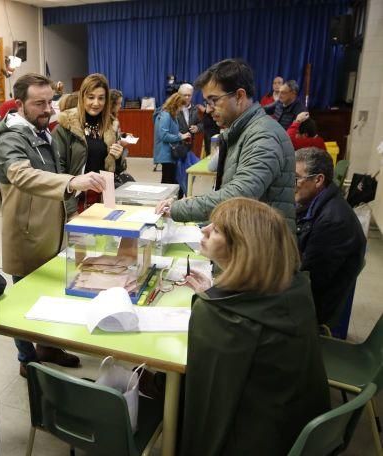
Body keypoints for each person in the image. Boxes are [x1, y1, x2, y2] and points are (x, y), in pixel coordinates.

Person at [182, 197, 330, 455]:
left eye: (215, 230)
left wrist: (213, 302)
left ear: (241, 249)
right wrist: (217, 291)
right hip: (296, 429)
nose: (204, 230)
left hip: (250, 439)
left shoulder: (223, 318)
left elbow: (204, 395)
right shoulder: (295, 287)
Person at [0, 72, 105, 377]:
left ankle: (48, 347)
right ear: (19, 104)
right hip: (26, 232)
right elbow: (22, 175)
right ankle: (25, 358)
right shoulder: (10, 137)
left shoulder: (42, 131)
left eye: (49, 102)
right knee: (22, 302)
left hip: (51, 228)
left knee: (48, 295)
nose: (47, 108)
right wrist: (71, 181)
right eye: (39, 103)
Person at [156, 58, 296, 231]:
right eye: (207, 102)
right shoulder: (243, 130)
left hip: (263, 249)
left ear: (239, 96)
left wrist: (179, 208)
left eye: (214, 100)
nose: (209, 109)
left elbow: (237, 195)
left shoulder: (263, 136)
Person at [295, 147, 366, 328]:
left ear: (318, 180)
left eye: (296, 179)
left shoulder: (334, 222)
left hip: (310, 311)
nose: (289, 183)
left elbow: (309, 282)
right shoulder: (313, 204)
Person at [53, 73, 124, 213]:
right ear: (82, 97)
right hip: (74, 198)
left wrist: (118, 157)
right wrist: (70, 210)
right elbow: (58, 171)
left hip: (103, 198)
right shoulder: (65, 126)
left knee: (102, 235)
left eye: (101, 98)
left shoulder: (110, 126)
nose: (96, 103)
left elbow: (115, 170)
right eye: (91, 97)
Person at [154, 92, 190, 184]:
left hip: (170, 153)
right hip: (165, 153)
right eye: (181, 106)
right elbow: (164, 135)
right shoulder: (165, 115)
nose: (181, 109)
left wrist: (182, 134)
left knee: (171, 180)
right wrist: (180, 136)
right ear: (176, 104)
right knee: (167, 181)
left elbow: (172, 131)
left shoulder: (172, 115)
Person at [176, 83, 203, 155]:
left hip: (189, 146)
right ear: (179, 95)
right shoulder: (173, 109)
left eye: (189, 95)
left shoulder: (195, 109)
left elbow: (201, 124)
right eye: (185, 95)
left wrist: (197, 128)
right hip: (175, 146)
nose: (187, 97)